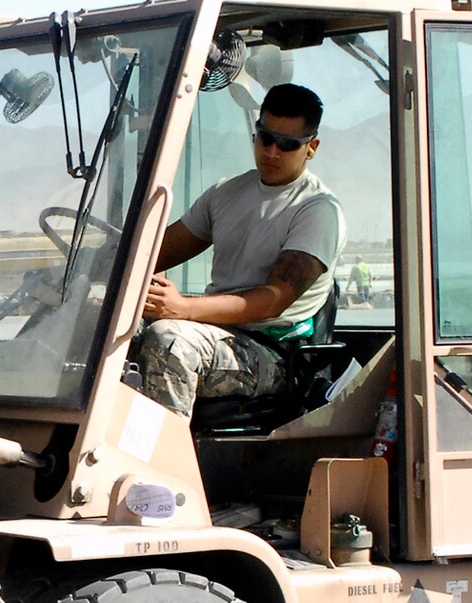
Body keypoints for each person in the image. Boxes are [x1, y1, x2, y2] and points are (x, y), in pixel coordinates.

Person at [136, 83, 345, 423]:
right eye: (266, 139)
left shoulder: (317, 211)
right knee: (108, 329)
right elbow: (153, 254)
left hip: (272, 355)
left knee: (170, 340)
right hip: (217, 333)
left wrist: (182, 308)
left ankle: (159, 466)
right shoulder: (226, 193)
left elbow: (273, 299)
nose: (273, 152)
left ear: (311, 148)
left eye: (288, 145)